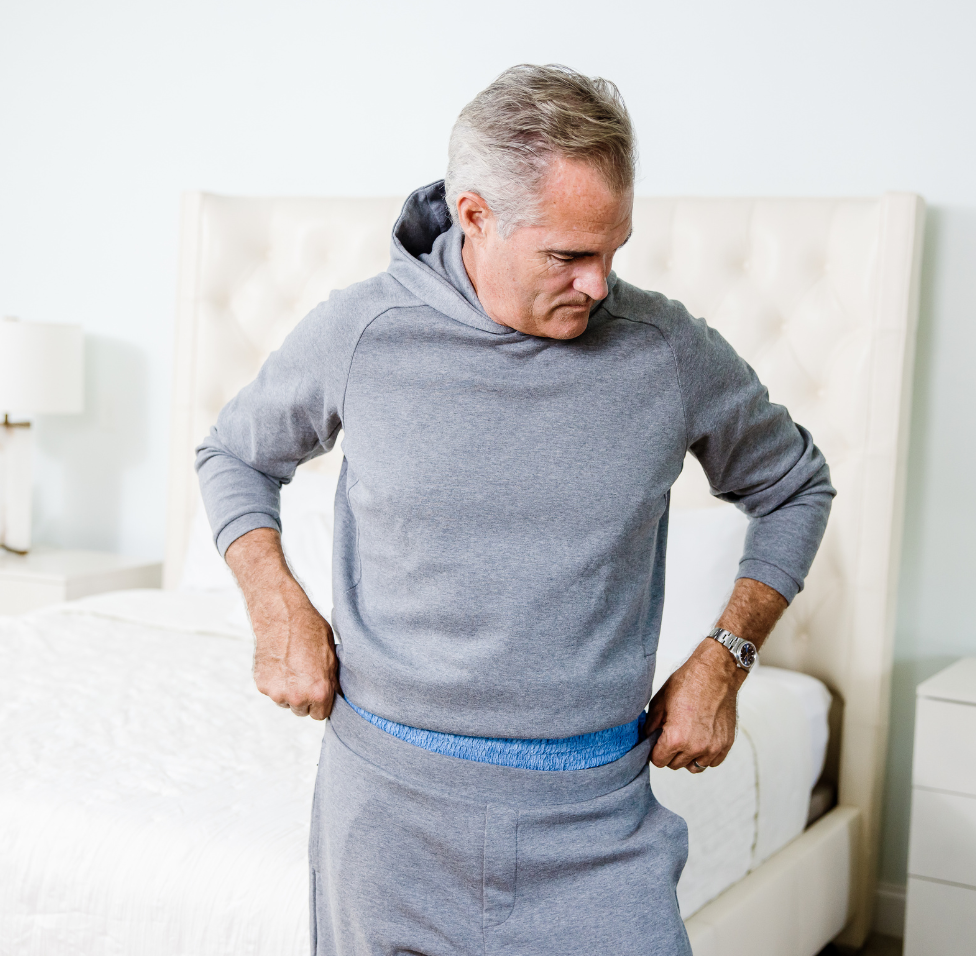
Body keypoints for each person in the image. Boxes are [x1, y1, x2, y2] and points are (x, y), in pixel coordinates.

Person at [196, 64, 834, 956]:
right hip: (385, 821)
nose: (600, 283)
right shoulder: (362, 334)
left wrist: (726, 657)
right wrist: (276, 603)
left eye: (613, 250)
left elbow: (796, 484)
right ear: (474, 216)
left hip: (595, 826)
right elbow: (232, 453)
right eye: (568, 255)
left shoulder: (666, 351)